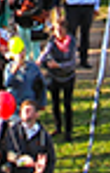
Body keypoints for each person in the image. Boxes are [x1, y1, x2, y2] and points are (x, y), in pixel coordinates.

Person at [38, 13, 79, 141]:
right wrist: (41, 62)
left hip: (68, 77)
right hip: (54, 78)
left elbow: (72, 62)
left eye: (61, 30)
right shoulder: (52, 42)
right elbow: (44, 55)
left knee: (67, 104)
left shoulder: (71, 42)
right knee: (55, 103)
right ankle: (58, 127)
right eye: (56, 30)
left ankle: (68, 131)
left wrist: (59, 65)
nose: (59, 32)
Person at [1, 100, 55, 173]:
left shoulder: (44, 136)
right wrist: (22, 161)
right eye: (24, 110)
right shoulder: (12, 132)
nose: (26, 112)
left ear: (37, 114)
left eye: (29, 110)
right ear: (20, 114)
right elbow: (8, 153)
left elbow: (51, 159)